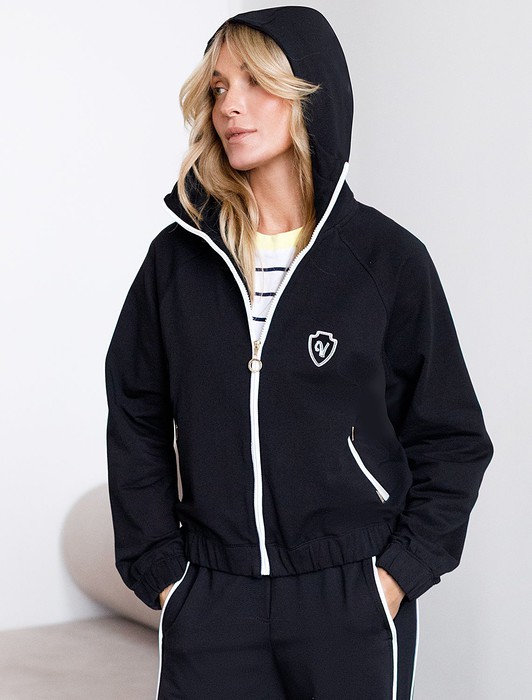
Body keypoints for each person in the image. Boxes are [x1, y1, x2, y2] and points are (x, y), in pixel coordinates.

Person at [105, 6, 493, 699]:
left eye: (255, 82)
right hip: (212, 593)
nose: (231, 106)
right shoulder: (177, 260)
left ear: (309, 93)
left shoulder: (386, 261)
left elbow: (452, 436)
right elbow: (135, 414)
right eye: (218, 88)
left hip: (349, 592)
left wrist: (396, 575)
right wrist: (162, 571)